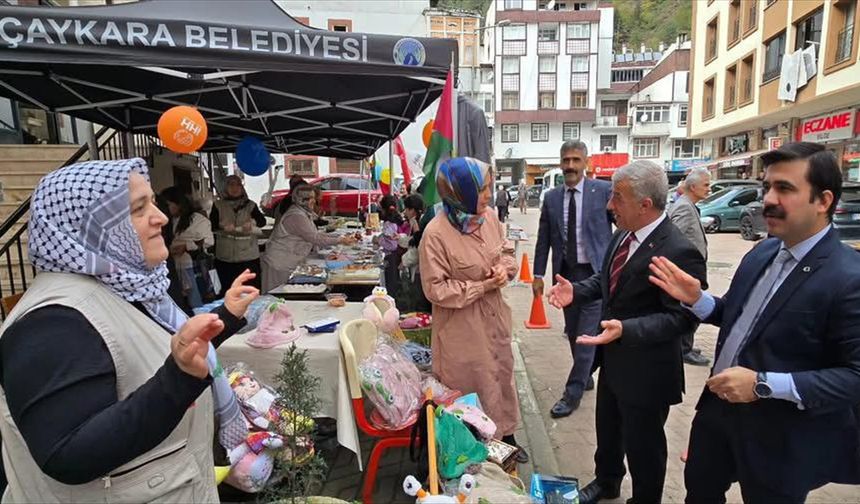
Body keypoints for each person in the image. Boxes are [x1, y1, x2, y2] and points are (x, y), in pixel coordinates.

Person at [0, 158, 259, 501]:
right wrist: (178, 380)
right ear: (91, 226)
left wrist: (225, 316)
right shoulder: (53, 320)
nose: (162, 217)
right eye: (139, 209)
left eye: (152, 201)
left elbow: (149, 347)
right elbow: (67, 453)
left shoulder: (126, 287)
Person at [649, 142, 860, 503]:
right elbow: (738, 316)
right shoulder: (763, 251)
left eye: (785, 189)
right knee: (699, 492)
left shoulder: (848, 277)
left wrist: (763, 385)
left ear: (823, 201)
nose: (769, 200)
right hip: (718, 413)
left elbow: (854, 377)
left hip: (780, 437)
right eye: (767, 188)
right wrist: (697, 299)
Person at [547, 160, 707, 504]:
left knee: (644, 447)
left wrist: (627, 329)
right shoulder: (623, 234)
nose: (609, 206)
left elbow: (682, 319)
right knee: (608, 432)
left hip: (648, 371)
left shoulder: (679, 250)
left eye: (617, 198)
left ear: (644, 205)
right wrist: (577, 291)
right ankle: (607, 482)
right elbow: (607, 282)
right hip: (615, 360)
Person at [419, 157, 527, 463]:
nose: (489, 195)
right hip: (461, 328)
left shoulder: (489, 217)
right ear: (460, 191)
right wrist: (482, 286)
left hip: (494, 318)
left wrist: (506, 269)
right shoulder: (435, 234)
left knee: (501, 377)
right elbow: (435, 289)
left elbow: (506, 249)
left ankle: (506, 436)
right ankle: (474, 451)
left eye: (490, 187)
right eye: (483, 189)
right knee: (472, 386)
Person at [533, 140, 613, 419]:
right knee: (572, 330)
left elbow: (622, 225)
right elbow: (543, 238)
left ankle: (573, 392)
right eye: (566, 160)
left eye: (576, 160)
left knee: (585, 335)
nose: (570, 166)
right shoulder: (552, 198)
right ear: (560, 162)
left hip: (594, 274)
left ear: (586, 163)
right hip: (565, 275)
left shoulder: (603, 191)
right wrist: (537, 274)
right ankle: (587, 372)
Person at [262, 184, 355, 292]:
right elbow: (316, 238)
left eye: (313, 198)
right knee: (277, 293)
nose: (313, 201)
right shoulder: (296, 216)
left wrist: (339, 237)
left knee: (285, 293)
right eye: (310, 198)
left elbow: (316, 234)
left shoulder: (302, 212)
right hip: (280, 262)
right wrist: (340, 240)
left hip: (288, 260)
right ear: (301, 200)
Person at [668, 167, 711, 367]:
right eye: (706, 185)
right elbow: (673, 237)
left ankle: (687, 345)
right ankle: (683, 349)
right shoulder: (684, 207)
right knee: (690, 309)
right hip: (686, 270)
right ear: (693, 187)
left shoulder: (689, 205)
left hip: (691, 268)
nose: (709, 189)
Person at [211, 175, 266, 294]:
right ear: (225, 187)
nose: (234, 188)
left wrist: (252, 222)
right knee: (229, 290)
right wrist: (222, 226)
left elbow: (262, 221)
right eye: (231, 184)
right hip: (225, 256)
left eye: (238, 185)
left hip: (248, 256)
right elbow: (211, 225)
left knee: (250, 290)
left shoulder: (250, 204)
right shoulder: (218, 205)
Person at [161, 187, 214, 308]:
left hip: (192, 265)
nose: (167, 208)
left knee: (196, 300)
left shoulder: (197, 219)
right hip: (173, 266)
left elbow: (209, 241)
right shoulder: (168, 220)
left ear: (178, 203)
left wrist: (186, 246)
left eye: (168, 204)